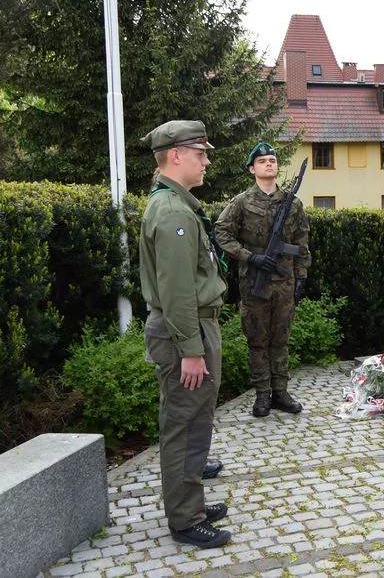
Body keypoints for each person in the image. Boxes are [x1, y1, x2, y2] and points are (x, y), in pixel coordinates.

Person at [139, 119, 231, 548]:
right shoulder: (174, 211)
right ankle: (185, 519)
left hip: (190, 329)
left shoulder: (177, 204)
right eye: (200, 154)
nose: (206, 161)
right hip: (185, 333)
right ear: (176, 156)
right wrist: (191, 351)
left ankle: (188, 499)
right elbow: (177, 292)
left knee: (195, 423)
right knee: (185, 425)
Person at [215, 142, 311, 418]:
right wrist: (249, 257)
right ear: (252, 168)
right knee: (258, 340)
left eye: (272, 160)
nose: (269, 164)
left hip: (284, 282)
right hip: (255, 282)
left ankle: (280, 392)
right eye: (262, 161)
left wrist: (301, 275)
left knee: (281, 339)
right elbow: (222, 233)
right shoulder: (242, 202)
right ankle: (262, 395)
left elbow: (301, 242)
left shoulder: (292, 203)